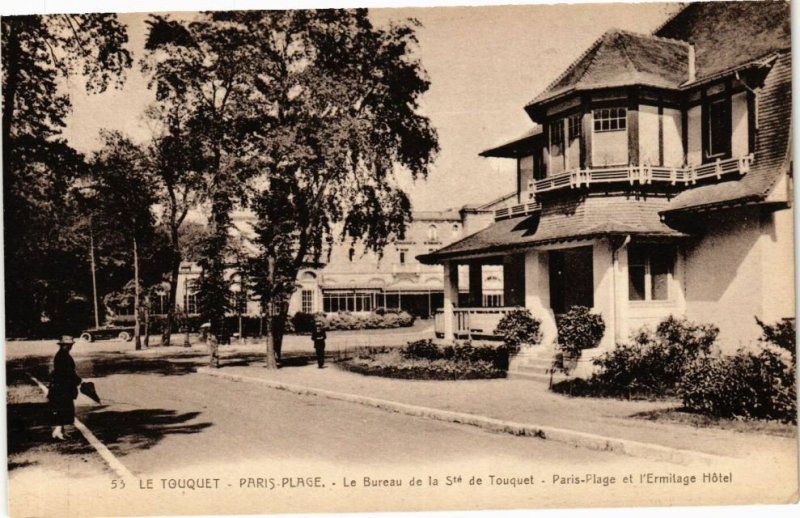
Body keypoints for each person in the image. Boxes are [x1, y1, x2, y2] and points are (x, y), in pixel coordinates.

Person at [48, 336, 82, 440]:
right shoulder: (62, 356)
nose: (70, 346)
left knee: (65, 407)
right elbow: (67, 373)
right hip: (62, 386)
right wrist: (77, 380)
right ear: (63, 345)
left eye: (71, 345)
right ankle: (58, 431)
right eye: (69, 345)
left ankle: (61, 431)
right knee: (62, 407)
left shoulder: (64, 354)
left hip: (63, 385)